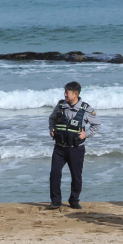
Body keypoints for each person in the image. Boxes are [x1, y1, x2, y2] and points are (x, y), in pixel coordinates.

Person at [48, 81, 99, 209]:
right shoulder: (60, 105)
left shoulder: (86, 109)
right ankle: (55, 201)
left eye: (67, 93)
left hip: (75, 149)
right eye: (64, 92)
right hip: (59, 147)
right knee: (54, 173)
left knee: (76, 175)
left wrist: (86, 134)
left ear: (75, 94)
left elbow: (96, 124)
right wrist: (52, 129)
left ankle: (74, 200)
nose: (65, 94)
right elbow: (52, 119)